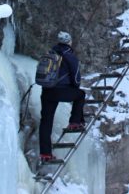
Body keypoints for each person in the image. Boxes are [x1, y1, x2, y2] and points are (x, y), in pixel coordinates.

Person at [39, 31, 86, 163]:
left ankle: (45, 153)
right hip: (61, 90)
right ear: (69, 42)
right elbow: (76, 78)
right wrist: (73, 87)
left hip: (47, 90)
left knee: (46, 121)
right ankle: (75, 122)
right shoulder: (69, 56)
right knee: (80, 95)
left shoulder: (50, 53)